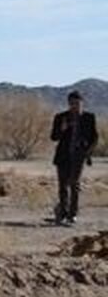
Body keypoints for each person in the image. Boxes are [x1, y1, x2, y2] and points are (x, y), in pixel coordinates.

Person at [50, 90, 98, 225]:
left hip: (78, 156)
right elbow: (53, 137)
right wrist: (62, 129)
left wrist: (87, 152)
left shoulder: (89, 118)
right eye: (71, 103)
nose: (74, 106)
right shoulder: (61, 117)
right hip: (63, 156)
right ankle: (62, 213)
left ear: (82, 103)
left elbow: (94, 137)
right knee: (63, 186)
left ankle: (73, 214)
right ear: (68, 103)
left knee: (74, 184)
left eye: (77, 103)